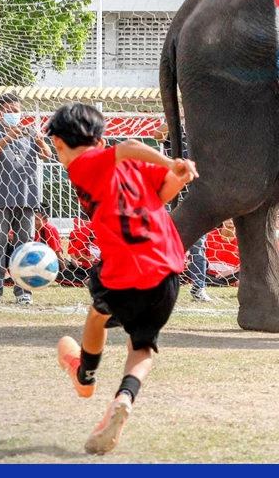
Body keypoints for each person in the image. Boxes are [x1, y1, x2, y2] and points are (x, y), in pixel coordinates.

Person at [47, 101, 198, 455]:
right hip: (168, 267)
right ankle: (124, 397)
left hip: (123, 269)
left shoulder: (82, 165)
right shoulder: (126, 164)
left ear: (58, 144)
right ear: (100, 137)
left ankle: (85, 377)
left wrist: (170, 165)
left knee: (97, 314)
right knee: (142, 348)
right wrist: (178, 174)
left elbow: (128, 146)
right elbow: (162, 193)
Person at [0, 92, 54, 305]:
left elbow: (47, 155)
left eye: (16, 111)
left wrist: (39, 140)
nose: (13, 115)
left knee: (25, 246)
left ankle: (24, 293)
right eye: (9, 111)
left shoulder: (28, 132)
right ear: (0, 112)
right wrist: (8, 137)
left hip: (26, 196)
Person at [58, 216, 99, 287]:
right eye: (76, 223)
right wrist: (76, 261)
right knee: (56, 268)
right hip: (83, 267)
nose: (77, 225)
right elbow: (74, 254)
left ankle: (90, 281)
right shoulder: (74, 233)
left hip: (99, 269)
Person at [203, 219, 241, 287]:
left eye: (234, 218)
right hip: (209, 275)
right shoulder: (208, 236)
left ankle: (220, 283)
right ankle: (225, 284)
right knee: (191, 269)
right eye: (229, 217)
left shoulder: (243, 241)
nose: (231, 220)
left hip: (231, 277)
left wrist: (232, 272)